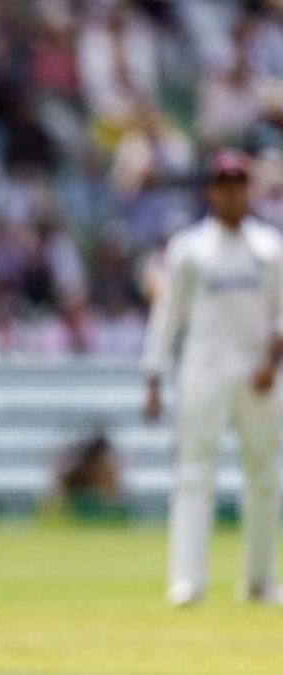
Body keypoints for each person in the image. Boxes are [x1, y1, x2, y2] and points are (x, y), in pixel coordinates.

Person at [143, 148, 283, 607]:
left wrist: (272, 363)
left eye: (240, 184)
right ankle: (188, 581)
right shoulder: (190, 248)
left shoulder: (269, 247)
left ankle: (259, 581)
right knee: (194, 475)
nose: (232, 193)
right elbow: (169, 314)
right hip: (202, 368)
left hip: (256, 371)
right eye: (224, 184)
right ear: (211, 191)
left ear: (249, 190)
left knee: (264, 475)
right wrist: (153, 374)